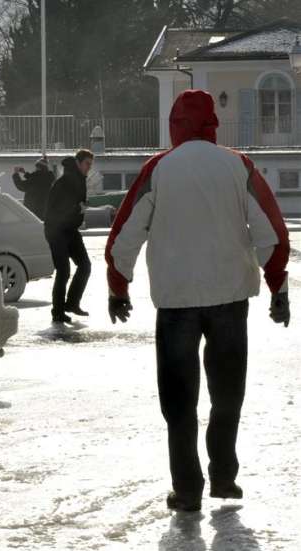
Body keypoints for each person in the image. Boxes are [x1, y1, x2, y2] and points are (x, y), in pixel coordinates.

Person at [105, 90, 290, 512]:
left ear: (175, 124)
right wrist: (278, 286)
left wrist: (119, 286)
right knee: (227, 395)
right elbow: (270, 230)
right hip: (230, 296)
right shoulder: (238, 165)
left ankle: (187, 489)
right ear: (212, 123)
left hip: (176, 301)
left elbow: (125, 233)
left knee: (179, 401)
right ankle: (223, 477)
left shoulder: (159, 168)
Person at [44, 149, 94, 323]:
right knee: (63, 271)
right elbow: (58, 208)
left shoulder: (79, 179)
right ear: (78, 163)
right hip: (56, 230)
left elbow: (76, 205)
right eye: (87, 164)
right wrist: (78, 208)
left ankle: (72, 303)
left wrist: (80, 208)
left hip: (70, 229)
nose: (89, 168)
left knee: (85, 265)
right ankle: (57, 312)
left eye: (90, 165)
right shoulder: (66, 181)